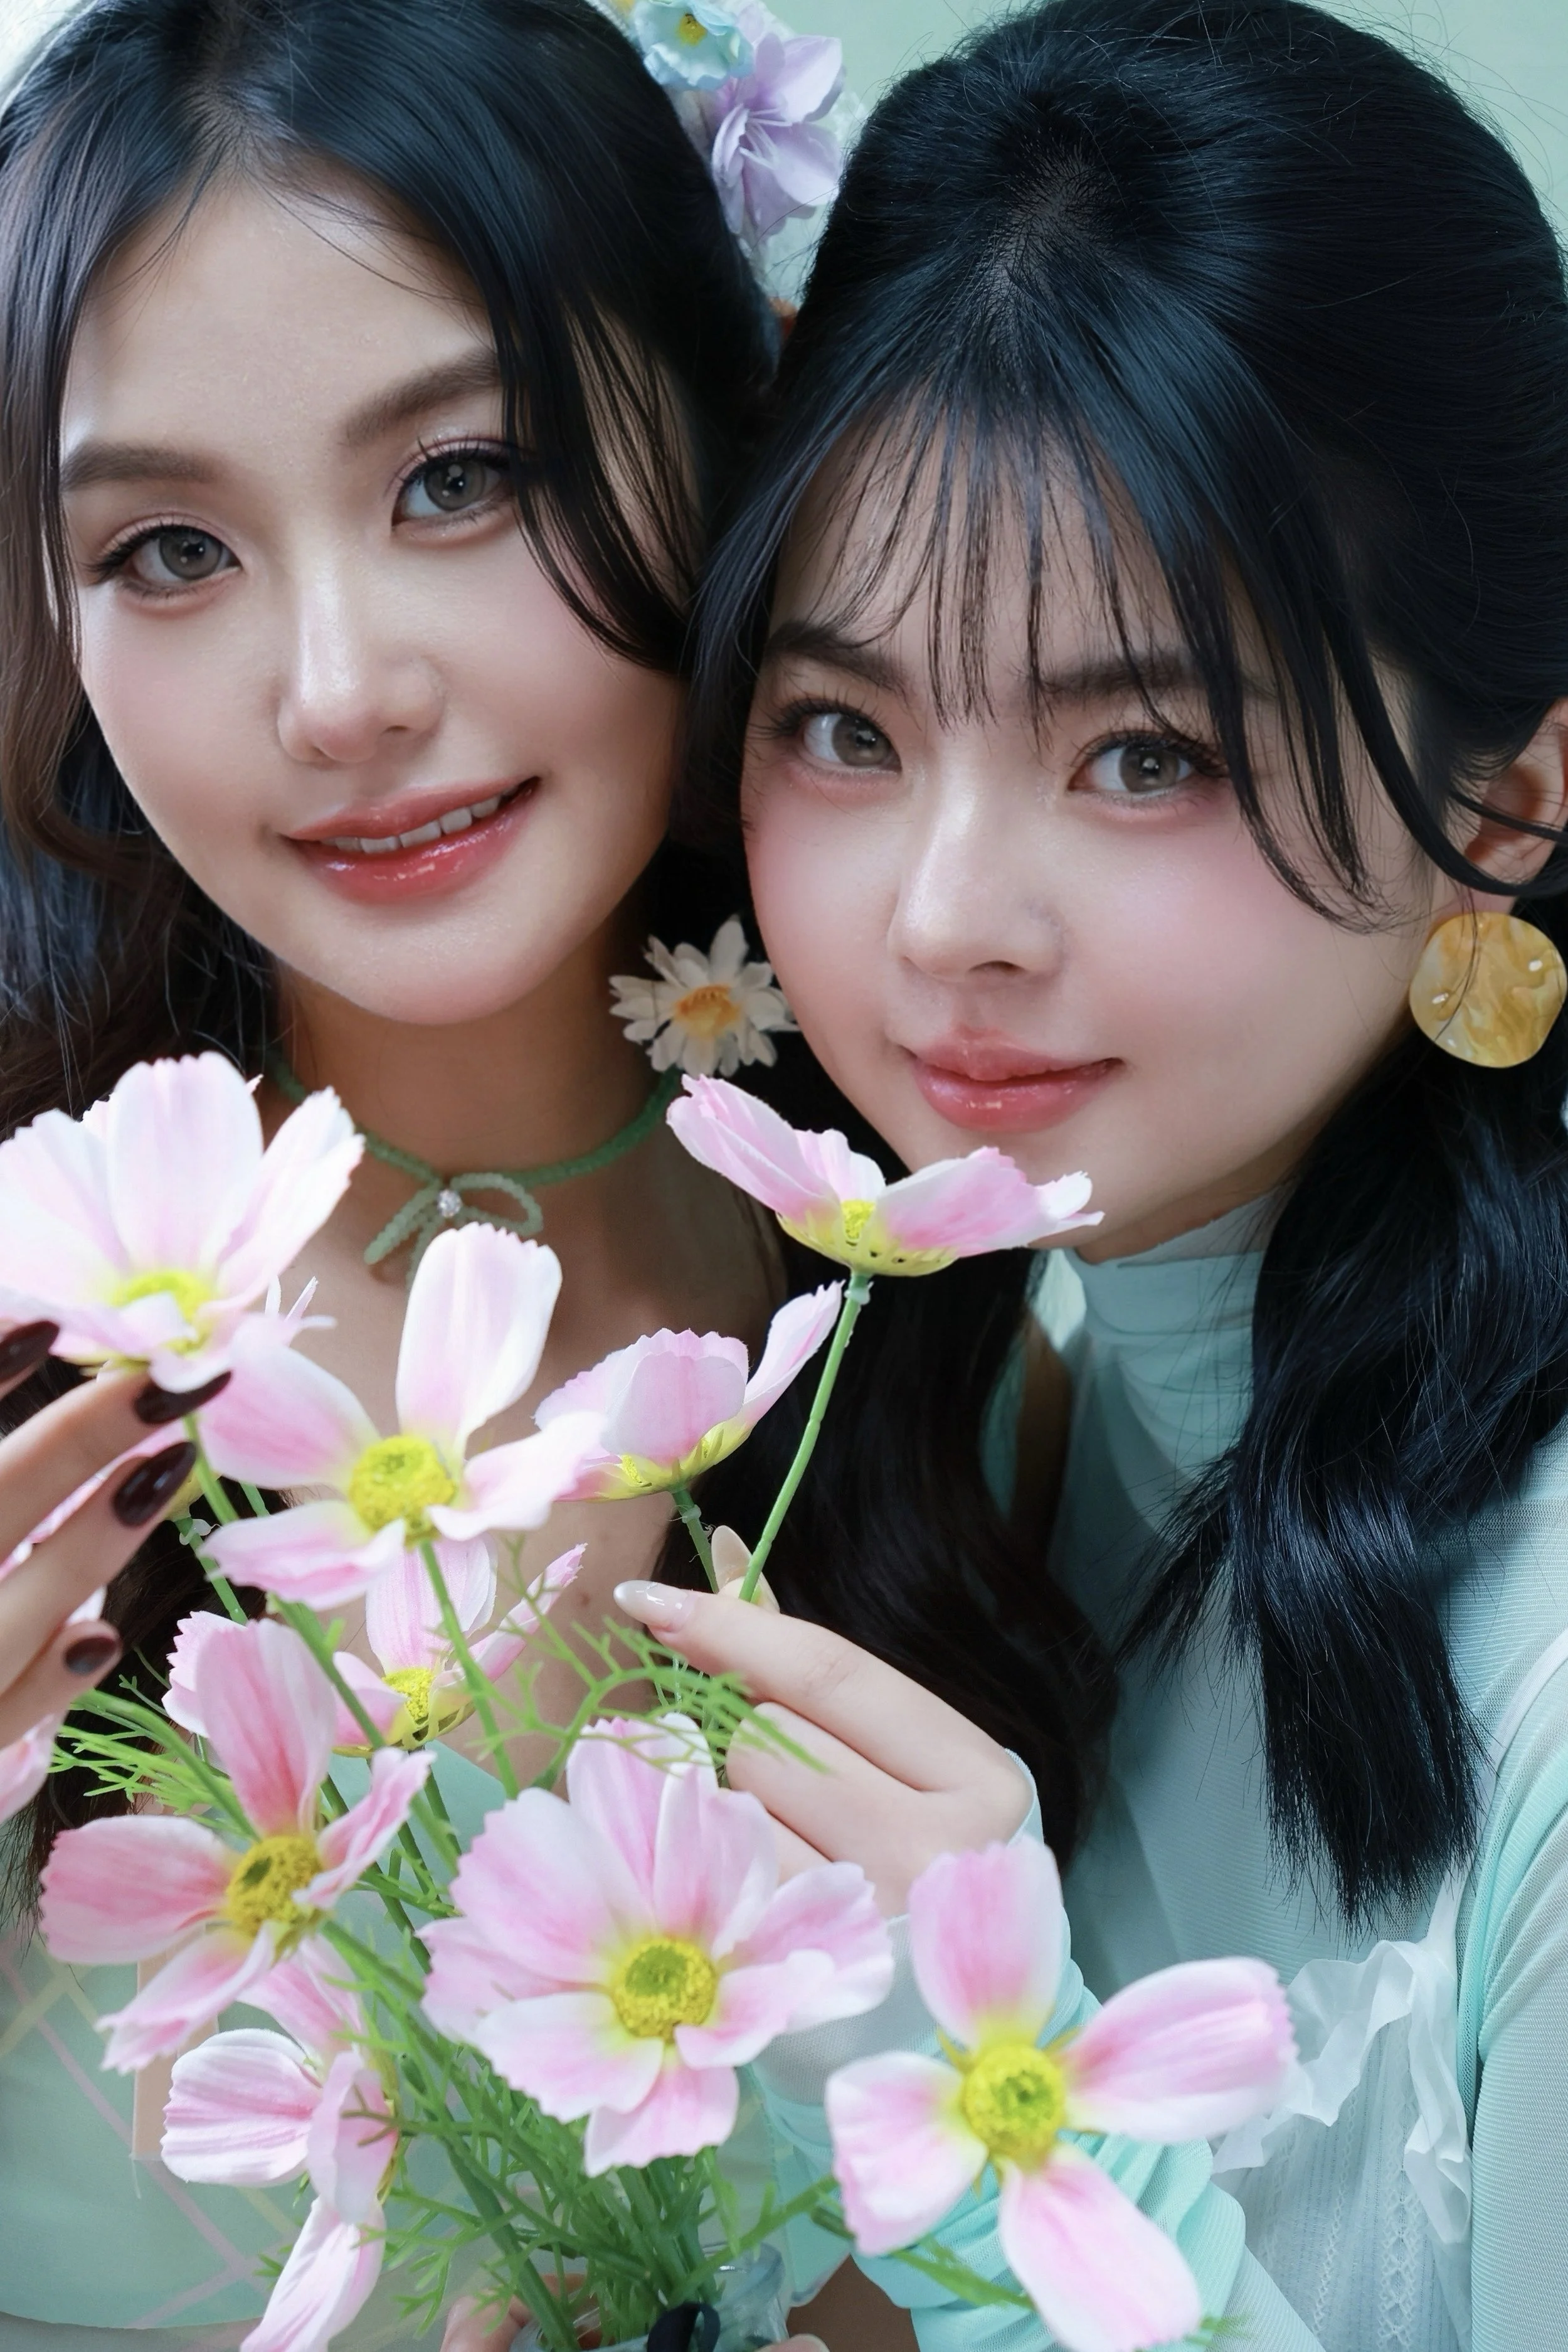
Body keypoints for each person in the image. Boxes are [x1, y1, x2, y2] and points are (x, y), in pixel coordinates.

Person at [612, 4, 1568, 2348]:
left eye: (1142, 752)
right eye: (842, 726)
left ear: (1508, 804)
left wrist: (1017, 2143)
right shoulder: (984, 1406)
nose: (947, 917)